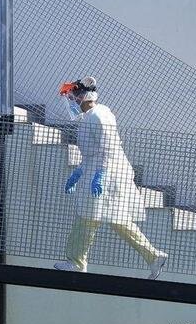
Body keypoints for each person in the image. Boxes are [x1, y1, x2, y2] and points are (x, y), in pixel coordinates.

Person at [53, 76, 169, 279]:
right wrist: (78, 173)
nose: (72, 101)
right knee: (117, 220)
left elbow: (109, 148)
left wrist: (99, 176)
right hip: (100, 172)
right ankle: (154, 256)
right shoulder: (89, 117)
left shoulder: (99, 115)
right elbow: (93, 152)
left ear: (84, 96)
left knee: (88, 218)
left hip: (108, 176)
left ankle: (77, 262)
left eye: (73, 96)